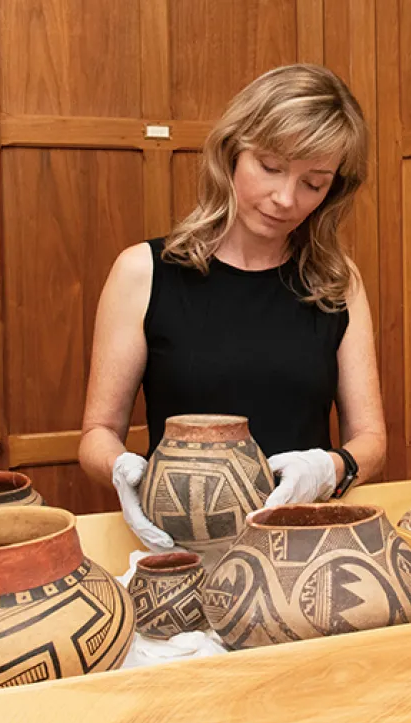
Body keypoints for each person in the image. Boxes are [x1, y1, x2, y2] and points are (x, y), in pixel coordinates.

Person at [77, 64, 386, 549]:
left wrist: (329, 468)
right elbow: (98, 431)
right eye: (271, 167)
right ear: (232, 151)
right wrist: (124, 472)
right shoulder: (143, 272)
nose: (285, 198)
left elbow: (371, 440)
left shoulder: (336, 283)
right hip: (182, 545)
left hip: (301, 549)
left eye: (313, 183)